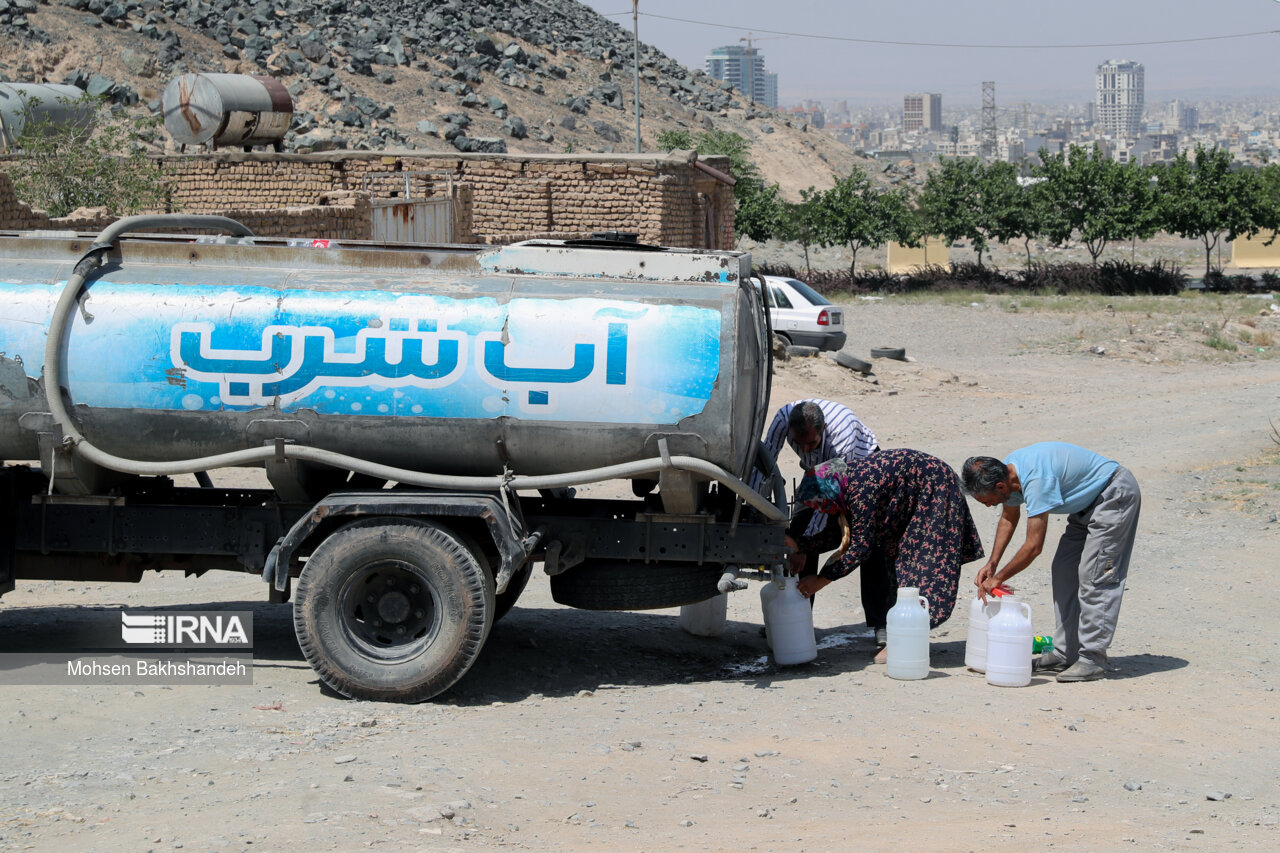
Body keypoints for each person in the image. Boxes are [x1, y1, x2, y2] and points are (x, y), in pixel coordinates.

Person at [961, 443, 1141, 683]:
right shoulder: (1009, 471)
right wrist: (992, 564)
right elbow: (1009, 516)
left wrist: (999, 578)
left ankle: (1092, 659)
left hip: (1113, 496)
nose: (988, 505)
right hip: (1084, 506)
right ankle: (1065, 652)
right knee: (1064, 570)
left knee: (1095, 574)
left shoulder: (1037, 480)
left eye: (987, 500)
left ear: (1001, 486)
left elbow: (1034, 547)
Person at [792, 450, 985, 657]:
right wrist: (798, 544)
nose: (823, 511)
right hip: (916, 497)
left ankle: (904, 642)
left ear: (829, 493)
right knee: (900, 568)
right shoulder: (845, 486)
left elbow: (860, 547)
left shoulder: (860, 491)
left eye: (821, 505)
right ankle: (903, 638)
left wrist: (821, 580)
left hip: (935, 491)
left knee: (923, 566)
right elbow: (835, 534)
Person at [761, 399, 895, 654]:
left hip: (860, 472)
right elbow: (765, 459)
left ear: (824, 431)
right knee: (796, 533)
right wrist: (753, 502)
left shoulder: (843, 431)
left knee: (869, 543)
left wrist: (805, 545)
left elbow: (830, 499)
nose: (803, 448)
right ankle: (795, 613)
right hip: (817, 473)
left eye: (811, 443)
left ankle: (881, 623)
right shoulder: (783, 419)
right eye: (798, 444)